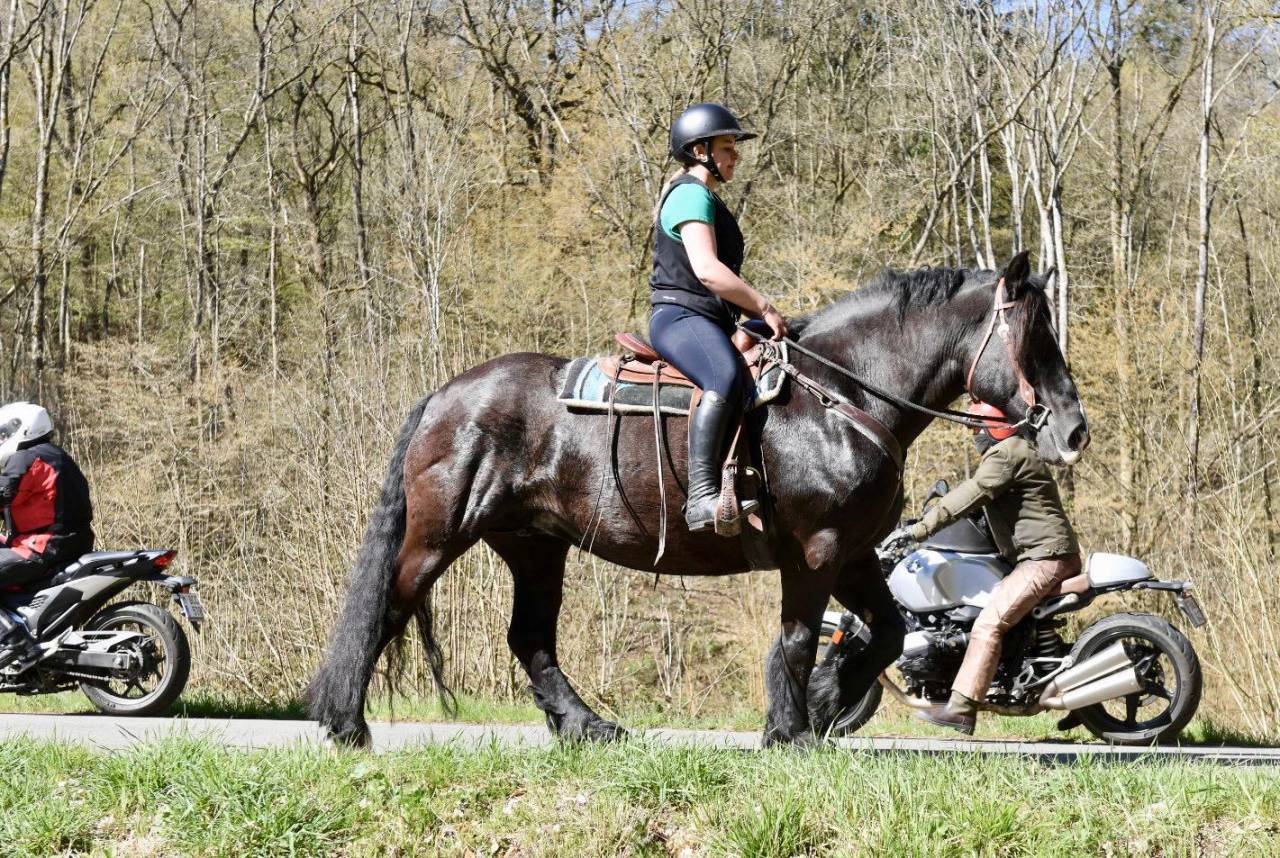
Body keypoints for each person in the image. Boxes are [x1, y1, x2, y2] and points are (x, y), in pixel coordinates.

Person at [886, 401, 1082, 734]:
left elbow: (970, 494)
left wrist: (918, 530)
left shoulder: (1007, 453)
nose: (974, 434)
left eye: (978, 427)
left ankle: (961, 709)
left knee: (988, 625)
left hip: (1046, 558)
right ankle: (1078, 698)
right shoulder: (1016, 450)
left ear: (997, 427)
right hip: (1040, 555)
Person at [649, 103, 789, 533]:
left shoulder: (704, 195)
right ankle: (701, 499)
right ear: (699, 149)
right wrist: (763, 306)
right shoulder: (690, 193)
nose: (735, 155)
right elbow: (708, 271)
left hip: (710, 319)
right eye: (727, 147)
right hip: (680, 318)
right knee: (723, 376)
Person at [0, 402, 94, 671]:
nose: (2, 439)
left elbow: (3, 492)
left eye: (4, 433)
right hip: (68, 543)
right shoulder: (59, 457)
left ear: (23, 428)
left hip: (42, 547)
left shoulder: (26, 458)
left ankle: (15, 643)